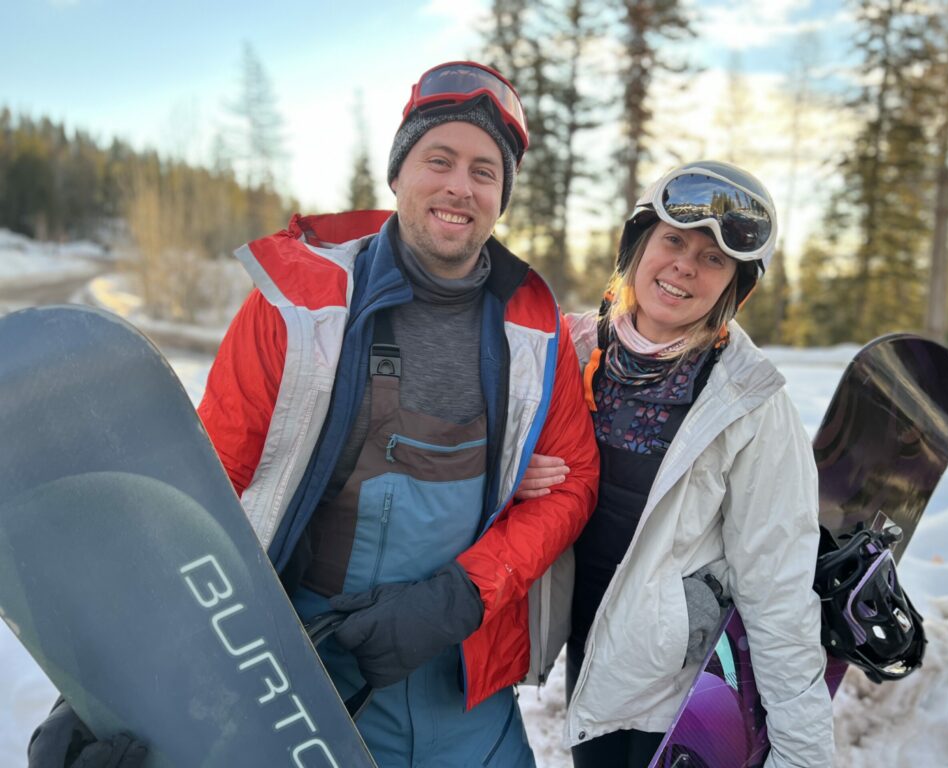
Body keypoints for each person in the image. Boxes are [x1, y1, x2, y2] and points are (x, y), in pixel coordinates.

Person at [28, 61, 599, 768]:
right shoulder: (300, 308)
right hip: (307, 688)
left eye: (486, 171)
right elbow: (200, 498)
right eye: (439, 160)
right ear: (399, 173)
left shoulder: (533, 325)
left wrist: (458, 597)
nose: (460, 186)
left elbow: (573, 483)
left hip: (465, 693)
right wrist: (105, 692)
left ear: (502, 196)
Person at [519, 161, 834, 767]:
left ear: (735, 286)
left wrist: (801, 751)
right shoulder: (567, 350)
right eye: (673, 240)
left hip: (676, 690)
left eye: (714, 259)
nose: (686, 265)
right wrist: (514, 476)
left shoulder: (747, 403)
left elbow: (776, 584)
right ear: (638, 247)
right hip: (586, 654)